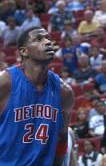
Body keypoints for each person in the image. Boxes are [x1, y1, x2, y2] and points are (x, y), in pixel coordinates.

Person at [0, 27, 74, 165]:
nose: (47, 42)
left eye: (49, 39)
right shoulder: (5, 83)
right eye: (39, 39)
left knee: (70, 134)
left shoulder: (64, 92)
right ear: (24, 51)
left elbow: (61, 138)